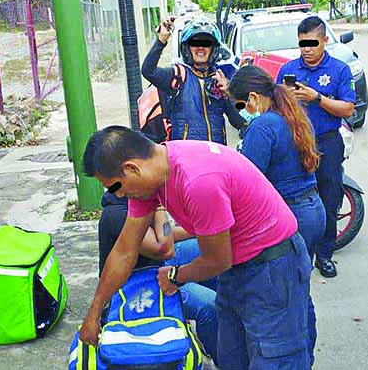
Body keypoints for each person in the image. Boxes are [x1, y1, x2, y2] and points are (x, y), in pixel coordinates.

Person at [79, 126, 312, 370]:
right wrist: (93, 314)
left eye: (117, 187)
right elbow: (124, 251)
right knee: (233, 358)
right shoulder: (153, 181)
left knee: (276, 360)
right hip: (236, 268)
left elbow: (216, 261)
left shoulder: (198, 180)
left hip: (272, 268)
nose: (120, 195)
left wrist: (175, 276)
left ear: (131, 168)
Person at [227, 65, 325, 364]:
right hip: (312, 209)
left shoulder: (262, 126)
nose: (241, 111)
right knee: (301, 291)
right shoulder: (290, 113)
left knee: (288, 299)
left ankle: (298, 359)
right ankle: (305, 356)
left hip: (289, 215)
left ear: (253, 97)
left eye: (241, 105)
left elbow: (247, 180)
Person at [276, 16, 356, 278]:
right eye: (302, 44)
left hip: (327, 142)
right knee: (292, 199)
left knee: (329, 199)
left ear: (324, 40)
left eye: (312, 43)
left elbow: (347, 107)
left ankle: (324, 255)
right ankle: (298, 255)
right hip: (295, 143)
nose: (307, 49)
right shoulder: (288, 69)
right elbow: (273, 107)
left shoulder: (339, 70)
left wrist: (317, 98)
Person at [98, 192, 218, 365]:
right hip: (137, 281)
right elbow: (164, 247)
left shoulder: (137, 197)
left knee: (212, 249)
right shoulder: (117, 214)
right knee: (209, 306)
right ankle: (218, 357)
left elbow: (165, 232)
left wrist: (201, 230)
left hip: (157, 263)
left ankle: (225, 322)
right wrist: (159, 207)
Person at [141, 17, 245, 144]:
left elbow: (239, 122)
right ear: (187, 48)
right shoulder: (178, 75)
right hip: (187, 156)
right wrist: (162, 39)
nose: (201, 47)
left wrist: (229, 94)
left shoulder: (219, 79)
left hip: (215, 155)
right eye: (195, 43)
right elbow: (148, 70)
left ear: (213, 48)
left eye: (206, 43)